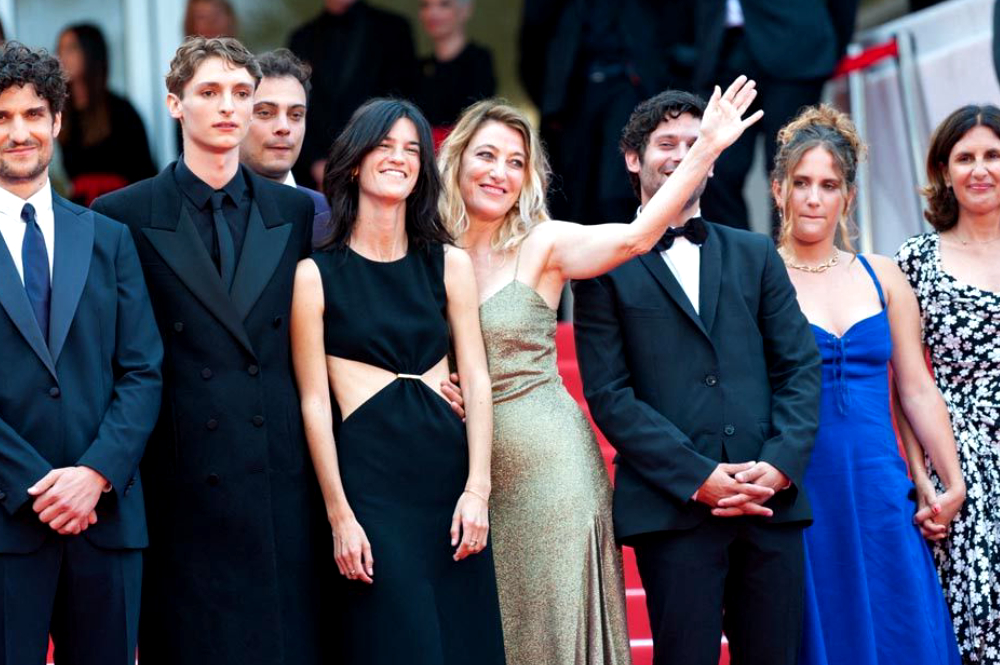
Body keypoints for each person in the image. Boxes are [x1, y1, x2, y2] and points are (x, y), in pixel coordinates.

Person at [437, 79, 760, 663]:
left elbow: (638, 236)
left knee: (554, 640)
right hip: (452, 473)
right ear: (456, 159)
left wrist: (705, 149)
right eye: (485, 155)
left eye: (516, 162)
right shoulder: (424, 250)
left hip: (548, 473)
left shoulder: (544, 244)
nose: (499, 172)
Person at [91, 37, 330, 665]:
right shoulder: (122, 214)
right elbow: (114, 355)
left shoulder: (296, 212)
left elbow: (329, 333)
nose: (229, 107)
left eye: (241, 94)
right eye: (209, 92)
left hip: (278, 483)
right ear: (175, 103)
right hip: (180, 487)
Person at [573, 88, 823, 665]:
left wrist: (780, 466)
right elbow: (610, 396)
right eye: (667, 144)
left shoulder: (757, 253)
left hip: (770, 506)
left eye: (695, 143)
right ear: (633, 158)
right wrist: (697, 475)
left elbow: (799, 366)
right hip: (675, 509)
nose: (683, 154)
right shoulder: (602, 267)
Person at [290, 98, 505, 664]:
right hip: (369, 491)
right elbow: (314, 403)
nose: (399, 158)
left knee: (462, 643)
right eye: (385, 146)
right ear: (355, 161)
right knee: (394, 642)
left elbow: (477, 381)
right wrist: (340, 515)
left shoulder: (448, 263)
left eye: (412, 149)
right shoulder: (314, 276)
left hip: (448, 486)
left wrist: (477, 490)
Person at [770, 105, 963, 665]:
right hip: (803, 484)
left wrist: (947, 479)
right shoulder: (759, 275)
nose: (813, 198)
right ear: (778, 189)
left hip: (881, 482)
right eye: (801, 183)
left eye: (828, 185)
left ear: (847, 198)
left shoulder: (882, 275)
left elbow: (916, 387)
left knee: (901, 624)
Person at [0, 41, 162, 664]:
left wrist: (94, 475)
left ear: (58, 121)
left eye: (34, 114)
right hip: (8, 522)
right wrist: (35, 485)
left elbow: (143, 370)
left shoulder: (110, 238)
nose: (20, 132)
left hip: (107, 523)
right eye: (4, 117)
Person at [895, 104, 1000, 664]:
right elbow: (905, 383)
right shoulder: (916, 261)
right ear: (944, 170)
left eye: (992, 155)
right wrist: (923, 478)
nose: (979, 169)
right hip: (960, 464)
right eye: (965, 157)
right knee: (974, 624)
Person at [675, 0, 859, 232]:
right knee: (715, 170)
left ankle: (788, 262)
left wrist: (833, 46)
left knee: (791, 166)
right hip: (720, 50)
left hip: (794, 47)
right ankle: (739, 262)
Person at [519, 0, 688, 226]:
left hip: (634, 87)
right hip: (573, 91)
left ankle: (627, 256)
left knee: (621, 191)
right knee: (571, 192)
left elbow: (679, 24)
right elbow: (534, 31)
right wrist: (550, 96)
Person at [289, 0, 418, 188]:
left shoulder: (393, 29)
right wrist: (315, 163)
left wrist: (363, 158)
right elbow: (294, 106)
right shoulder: (302, 38)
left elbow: (402, 102)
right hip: (312, 177)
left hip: (377, 164)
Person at [56, 23, 157, 205]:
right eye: (60, 49)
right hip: (81, 210)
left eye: (71, 49)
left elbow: (145, 172)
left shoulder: (121, 111)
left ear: (91, 53)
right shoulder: (63, 113)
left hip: (122, 207)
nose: (62, 57)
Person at [239, 48, 330, 244]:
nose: (283, 127)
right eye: (265, 112)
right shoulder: (206, 210)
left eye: (295, 115)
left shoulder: (329, 218)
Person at [415, 0, 495, 146]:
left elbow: (476, 117)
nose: (432, 13)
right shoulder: (418, 67)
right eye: (425, 5)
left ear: (465, 10)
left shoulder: (478, 61)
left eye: (444, 5)